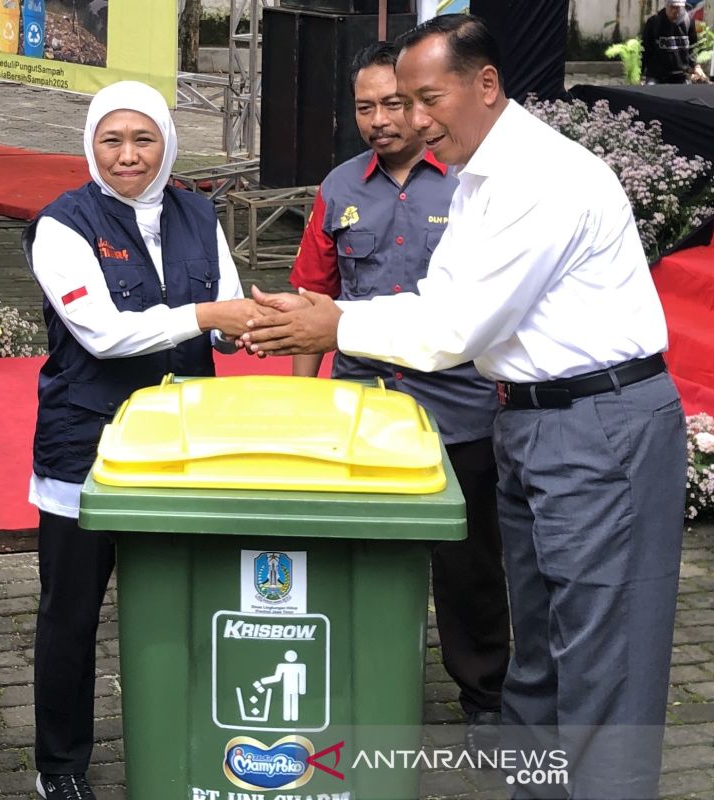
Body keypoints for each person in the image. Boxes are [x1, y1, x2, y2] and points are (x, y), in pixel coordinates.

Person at [241, 16, 684, 799]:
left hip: (596, 426)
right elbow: (443, 300)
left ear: (486, 84)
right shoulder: (481, 174)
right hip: (532, 421)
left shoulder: (537, 178)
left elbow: (455, 327)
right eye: (401, 102)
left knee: (603, 671)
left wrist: (335, 320)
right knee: (542, 654)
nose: (412, 120)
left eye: (426, 98)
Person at [25, 81, 266, 800]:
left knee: (185, 602)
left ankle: (192, 739)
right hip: (86, 446)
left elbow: (223, 303)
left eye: (144, 139)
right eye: (112, 140)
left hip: (183, 443)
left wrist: (246, 324)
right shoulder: (62, 225)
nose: (128, 156)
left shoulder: (198, 211)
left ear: (167, 142)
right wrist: (208, 315)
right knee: (70, 614)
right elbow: (101, 333)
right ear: (90, 146)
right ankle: (59, 766)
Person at [289, 41, 508, 755]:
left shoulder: (472, 187)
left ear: (419, 104)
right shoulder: (338, 189)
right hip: (361, 408)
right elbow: (311, 300)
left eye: (393, 103)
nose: (380, 120)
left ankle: (484, 697)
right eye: (364, 107)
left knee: (469, 565)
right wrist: (306, 402)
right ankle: (352, 683)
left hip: (460, 410)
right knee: (360, 557)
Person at [641, 0, 706, 85]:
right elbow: (645, 50)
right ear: (666, 6)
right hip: (657, 76)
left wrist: (696, 66)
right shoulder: (654, 22)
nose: (674, 10)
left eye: (678, 7)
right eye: (672, 7)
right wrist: (642, 75)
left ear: (682, 6)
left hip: (681, 76)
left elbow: (693, 47)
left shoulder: (688, 21)